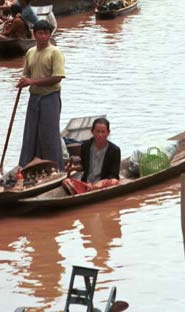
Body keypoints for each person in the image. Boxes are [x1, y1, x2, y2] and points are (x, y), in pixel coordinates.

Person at [17, 20, 65, 169]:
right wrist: (23, 82)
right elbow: (27, 75)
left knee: (49, 134)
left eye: (46, 33)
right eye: (40, 33)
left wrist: (32, 82)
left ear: (50, 35)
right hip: (34, 98)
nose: (43, 36)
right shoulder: (30, 52)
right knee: (31, 132)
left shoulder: (55, 52)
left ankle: (54, 168)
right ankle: (28, 166)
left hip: (50, 97)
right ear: (34, 34)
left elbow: (57, 77)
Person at [62, 118, 121, 195]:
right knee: (66, 181)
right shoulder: (86, 146)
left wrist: (101, 183)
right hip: (87, 184)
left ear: (108, 133)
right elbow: (83, 165)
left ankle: (82, 192)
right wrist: (74, 168)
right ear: (92, 132)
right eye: (98, 131)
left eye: (103, 132)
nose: (100, 135)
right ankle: (85, 191)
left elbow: (114, 175)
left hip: (102, 184)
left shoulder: (115, 150)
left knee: (114, 182)